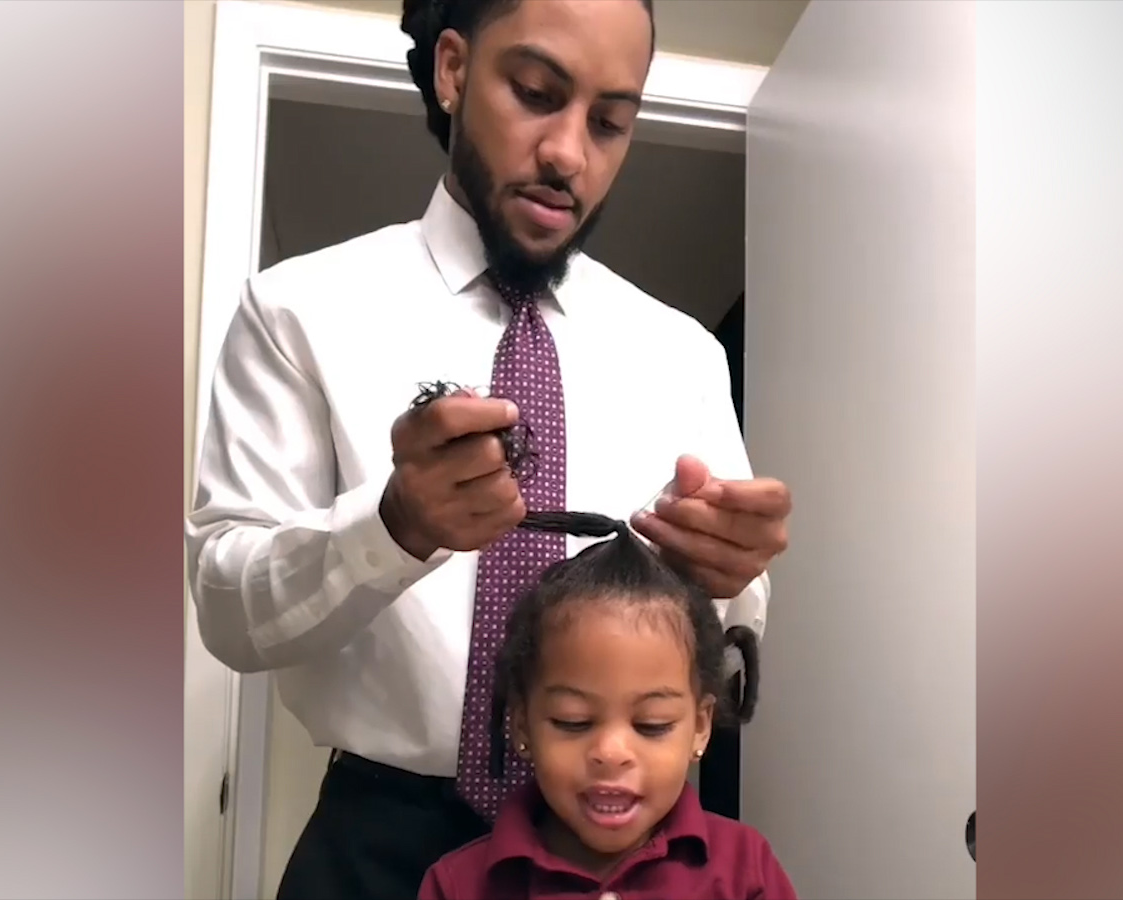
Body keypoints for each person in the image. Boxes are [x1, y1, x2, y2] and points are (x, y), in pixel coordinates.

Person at [184, 0, 793, 897]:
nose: (569, 154)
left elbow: (732, 631)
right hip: (376, 855)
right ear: (455, 70)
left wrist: (732, 578)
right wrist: (392, 526)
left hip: (615, 859)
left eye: (611, 122)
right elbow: (228, 610)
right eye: (538, 93)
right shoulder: (298, 313)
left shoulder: (683, 355)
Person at [418, 511, 797, 900]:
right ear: (521, 725)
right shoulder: (458, 886)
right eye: (573, 721)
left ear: (700, 727)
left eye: (652, 724)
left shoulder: (747, 870)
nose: (610, 753)